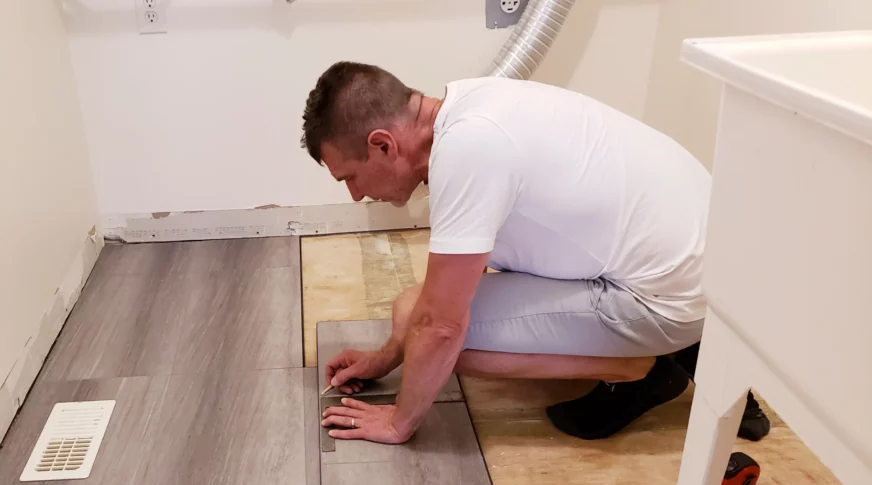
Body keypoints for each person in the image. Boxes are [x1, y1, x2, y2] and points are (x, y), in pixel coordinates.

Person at [301, 62, 769, 445]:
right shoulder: (471, 102)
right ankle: (675, 347)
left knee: (426, 329)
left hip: (664, 301)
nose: (356, 198)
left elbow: (442, 325)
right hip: (704, 267)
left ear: (382, 144)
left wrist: (398, 421)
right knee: (418, 319)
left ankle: (644, 368)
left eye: (350, 178)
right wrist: (386, 357)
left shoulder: (468, 152)